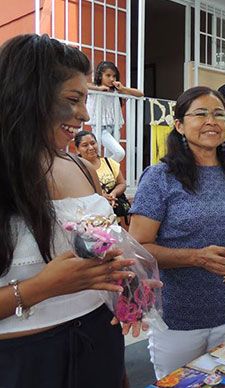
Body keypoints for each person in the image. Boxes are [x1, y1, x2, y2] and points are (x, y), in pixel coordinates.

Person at [0, 34, 140, 387]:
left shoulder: (82, 168)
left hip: (100, 341)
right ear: (28, 96)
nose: (85, 114)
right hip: (25, 362)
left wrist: (129, 281)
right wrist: (38, 289)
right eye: (73, 99)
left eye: (86, 99)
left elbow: (105, 253)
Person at [128, 86, 225, 379]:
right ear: (180, 125)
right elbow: (137, 247)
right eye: (201, 114)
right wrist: (196, 257)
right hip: (178, 317)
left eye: (219, 114)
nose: (212, 121)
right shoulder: (160, 177)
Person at [86, 61, 143, 162]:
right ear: (100, 76)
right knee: (119, 153)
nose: (111, 79)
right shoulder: (94, 89)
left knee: (111, 156)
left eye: (114, 76)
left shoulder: (116, 91)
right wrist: (98, 88)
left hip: (115, 127)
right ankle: (102, 169)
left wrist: (123, 88)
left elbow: (140, 93)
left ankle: (106, 176)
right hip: (100, 128)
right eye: (108, 75)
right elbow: (83, 85)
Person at [74, 130, 129, 220]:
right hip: (88, 220)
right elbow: (75, 191)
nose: (91, 147)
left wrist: (113, 194)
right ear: (77, 149)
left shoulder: (109, 163)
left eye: (93, 143)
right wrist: (100, 198)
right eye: (85, 145)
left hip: (112, 218)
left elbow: (121, 184)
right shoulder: (76, 168)